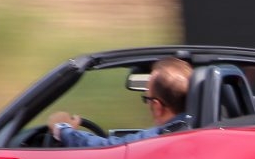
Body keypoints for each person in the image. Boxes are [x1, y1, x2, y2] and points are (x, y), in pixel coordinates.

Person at [48, 57, 193, 147]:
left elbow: (106, 148)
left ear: (157, 106)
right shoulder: (197, 128)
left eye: (146, 99)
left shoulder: (160, 137)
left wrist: (62, 129)